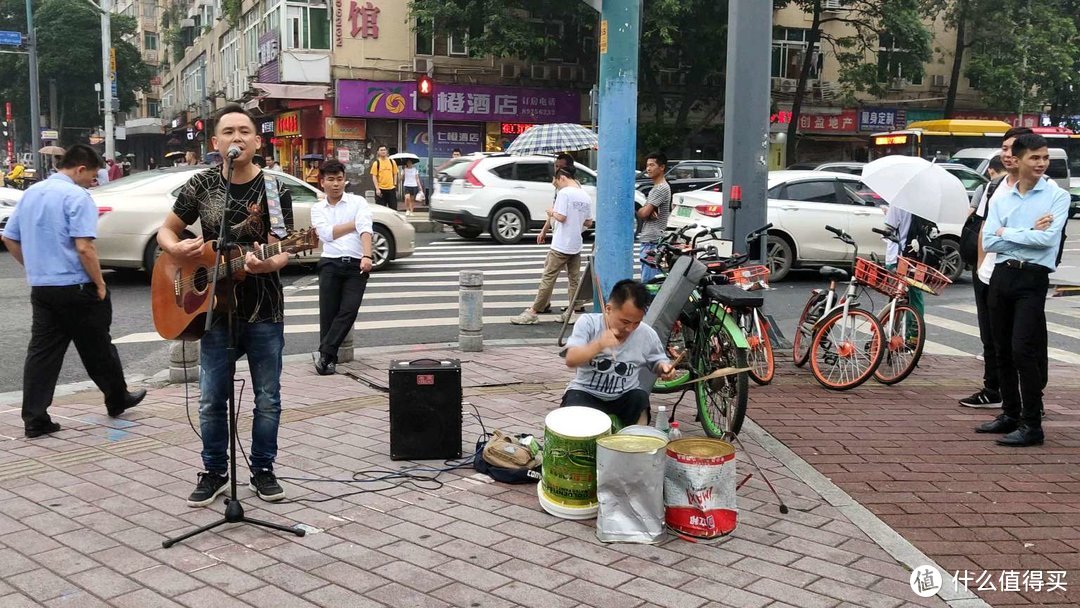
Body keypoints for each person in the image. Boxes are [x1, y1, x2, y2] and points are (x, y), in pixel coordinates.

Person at [156, 104, 294, 506]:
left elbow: (285, 247)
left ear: (257, 139)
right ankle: (215, 470)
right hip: (213, 313)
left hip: (264, 307)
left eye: (244, 131)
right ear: (215, 143)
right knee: (211, 396)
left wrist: (270, 261)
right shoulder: (199, 186)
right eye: (229, 132)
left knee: (268, 396)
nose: (237, 138)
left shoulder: (275, 189)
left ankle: (263, 470)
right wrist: (176, 247)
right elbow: (167, 230)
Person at [2, 144, 146, 438]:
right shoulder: (77, 196)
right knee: (98, 346)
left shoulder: (31, 193)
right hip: (76, 286)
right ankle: (117, 397)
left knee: (42, 353)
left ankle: (35, 417)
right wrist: (101, 283)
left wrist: (33, 266)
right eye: (92, 176)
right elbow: (84, 246)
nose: (93, 182)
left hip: (43, 287)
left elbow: (9, 237)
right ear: (80, 169)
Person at [977, 133, 1070, 447]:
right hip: (1002, 275)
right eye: (1035, 158)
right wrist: (1028, 231)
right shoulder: (1001, 197)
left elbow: (1048, 240)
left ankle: (1033, 424)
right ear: (1017, 160)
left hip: (1032, 279)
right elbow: (989, 240)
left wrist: (1009, 233)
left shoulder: (1056, 196)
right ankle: (1010, 414)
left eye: (1045, 157)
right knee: (1001, 349)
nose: (1042, 163)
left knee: (1022, 350)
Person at [961, 127, 1033, 409]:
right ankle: (993, 389)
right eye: (1003, 148)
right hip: (988, 272)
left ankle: (1030, 402)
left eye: (1012, 148)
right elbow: (983, 230)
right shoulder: (994, 186)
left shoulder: (1042, 190)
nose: (1006, 154)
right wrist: (980, 267)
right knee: (990, 337)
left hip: (1022, 274)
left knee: (1023, 343)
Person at [561, 280, 677, 429]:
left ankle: (635, 441)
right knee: (572, 408)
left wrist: (665, 368)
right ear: (608, 309)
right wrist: (599, 344)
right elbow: (571, 359)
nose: (630, 328)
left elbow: (658, 361)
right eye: (625, 321)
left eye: (636, 322)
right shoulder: (588, 323)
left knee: (639, 398)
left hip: (624, 395)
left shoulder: (647, 333)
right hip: (586, 392)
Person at [311, 160, 374, 375]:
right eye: (331, 179)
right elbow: (326, 234)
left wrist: (367, 255)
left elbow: (366, 228)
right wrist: (353, 224)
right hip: (330, 262)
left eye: (339, 179)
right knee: (328, 313)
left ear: (344, 179)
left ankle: (324, 352)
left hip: (357, 264)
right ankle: (327, 360)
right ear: (322, 182)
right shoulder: (318, 208)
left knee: (349, 310)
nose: (336, 184)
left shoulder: (358, 202)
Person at [511, 165, 592, 325]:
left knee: (548, 278)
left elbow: (561, 217)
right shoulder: (585, 195)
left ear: (562, 177)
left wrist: (551, 212)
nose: (557, 185)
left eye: (557, 181)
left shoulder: (565, 193)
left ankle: (533, 312)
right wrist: (576, 226)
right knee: (574, 280)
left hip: (561, 244)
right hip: (576, 244)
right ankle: (571, 312)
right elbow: (588, 222)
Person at [636, 152, 672, 283]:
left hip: (652, 239)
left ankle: (651, 304)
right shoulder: (658, 187)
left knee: (649, 281)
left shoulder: (660, 189)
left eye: (652, 165)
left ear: (662, 167)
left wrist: (641, 210)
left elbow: (644, 213)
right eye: (647, 165)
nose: (648, 169)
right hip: (652, 238)